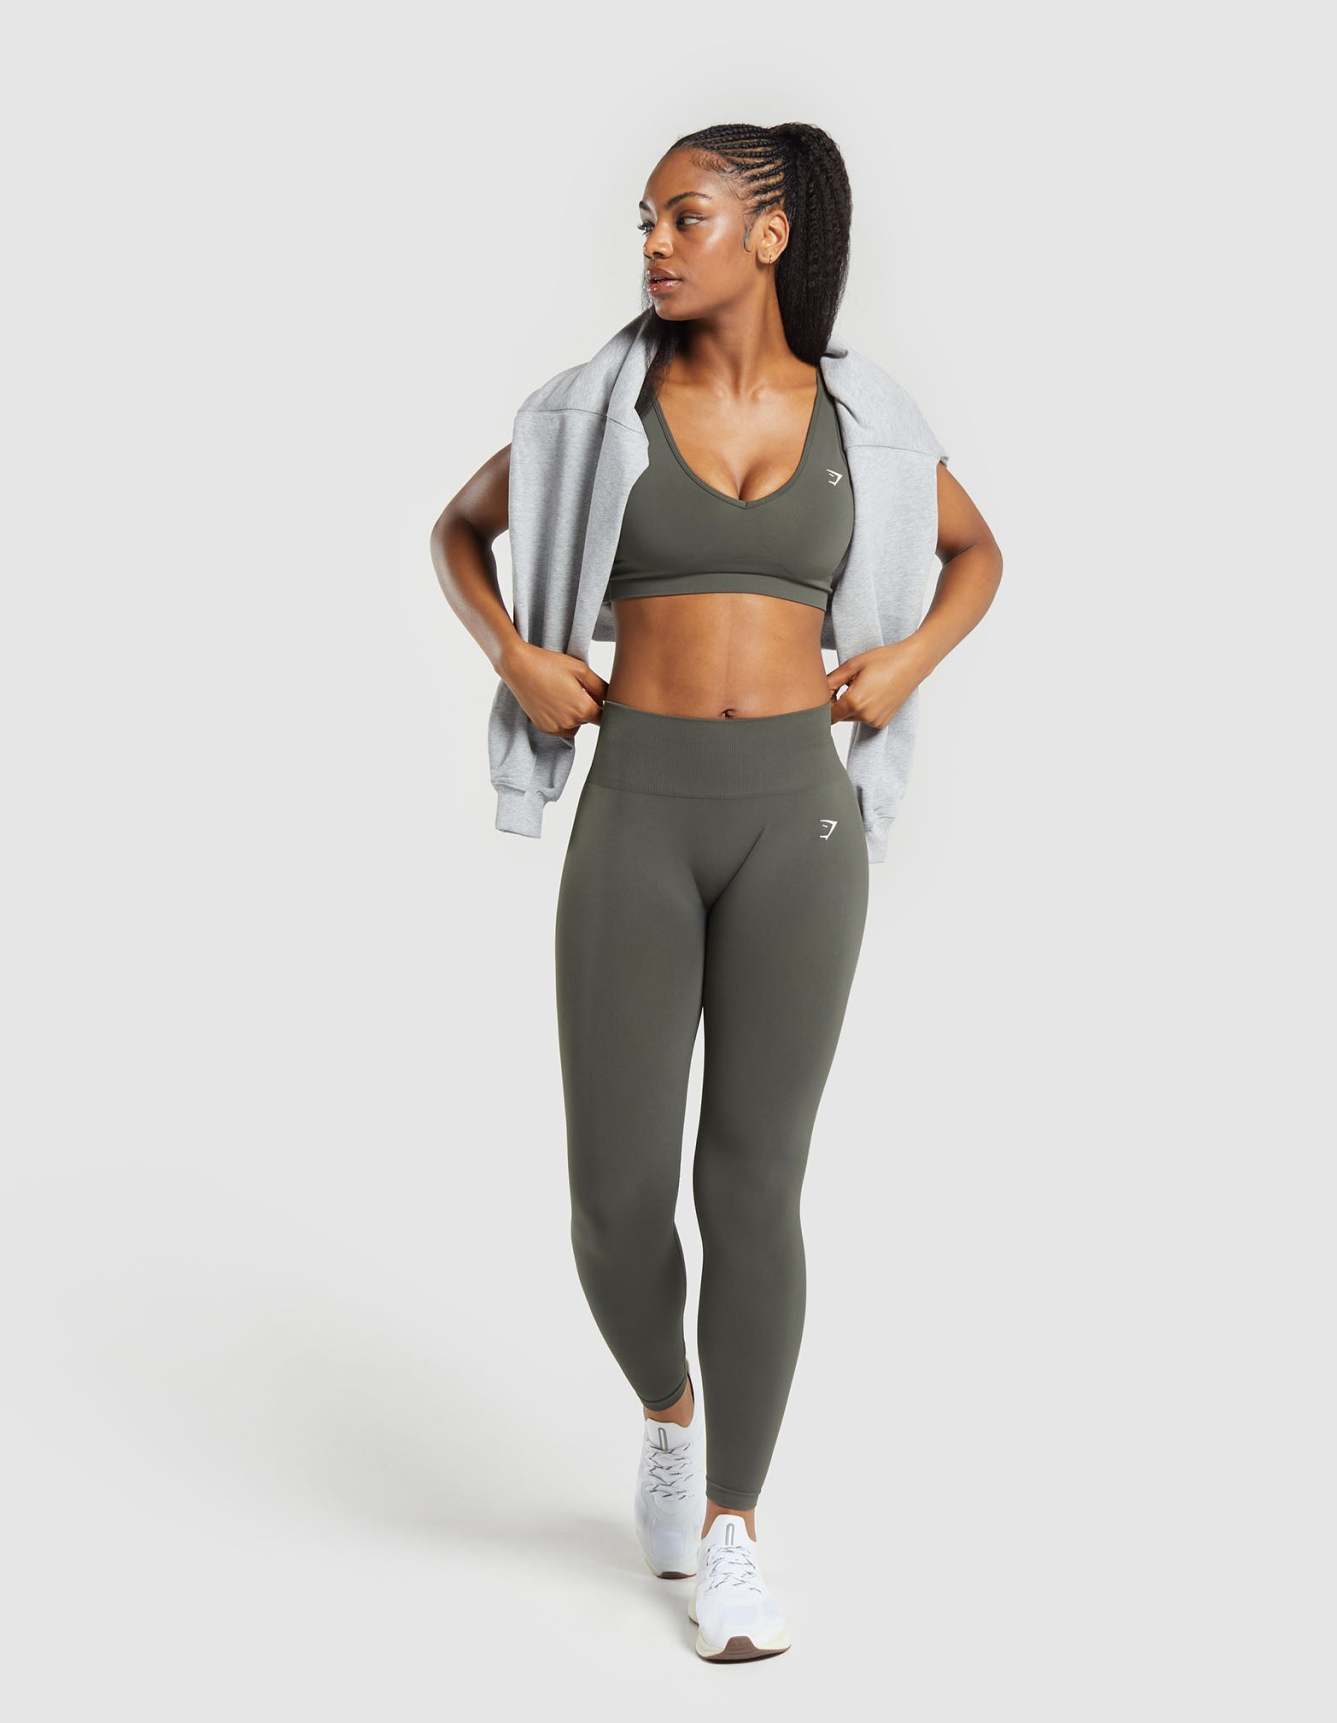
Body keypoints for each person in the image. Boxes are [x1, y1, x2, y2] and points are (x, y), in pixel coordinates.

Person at [432, 120, 1002, 1663]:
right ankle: (669, 1418)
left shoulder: (865, 421)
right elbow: (459, 530)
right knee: (615, 1203)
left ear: (768, 233)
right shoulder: (590, 411)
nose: (651, 243)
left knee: (751, 1187)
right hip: (638, 812)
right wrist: (518, 657)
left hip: (795, 827)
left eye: (682, 217)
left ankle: (735, 1527)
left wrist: (904, 660)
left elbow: (975, 554)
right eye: (644, 219)